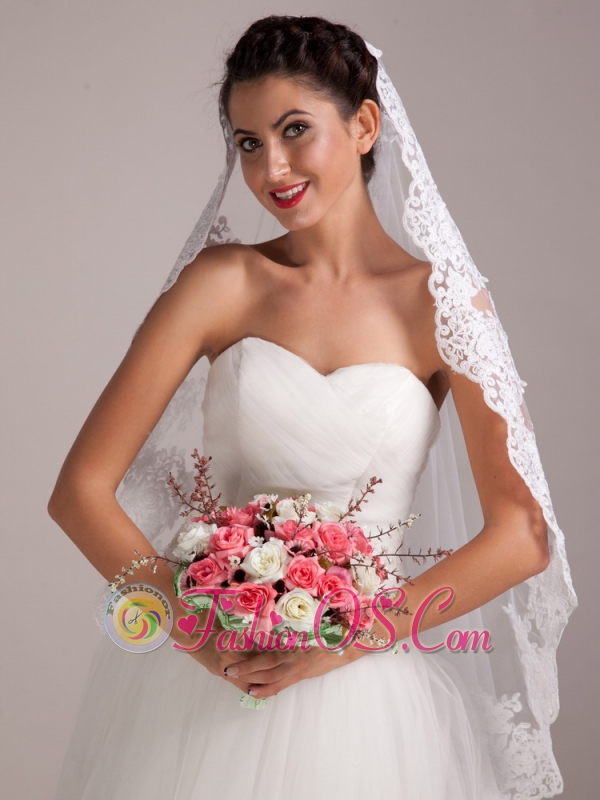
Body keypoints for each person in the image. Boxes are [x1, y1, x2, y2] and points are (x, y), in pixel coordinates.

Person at [48, 14, 576, 800]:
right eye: (248, 142)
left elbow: (522, 535)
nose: (272, 167)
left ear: (363, 126)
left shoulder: (441, 307)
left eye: (295, 130)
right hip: (216, 684)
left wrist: (343, 638)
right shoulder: (220, 284)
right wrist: (199, 634)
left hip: (364, 698)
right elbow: (80, 492)